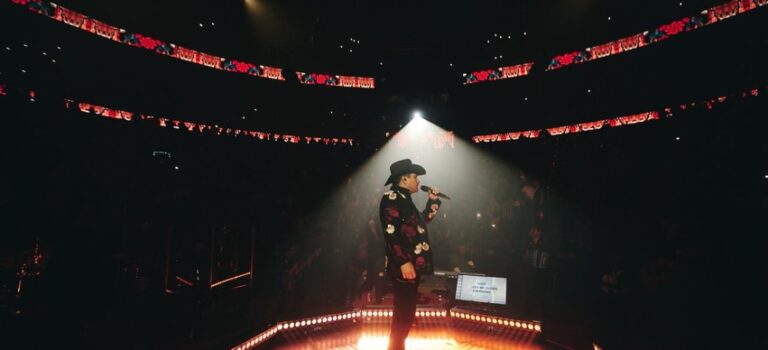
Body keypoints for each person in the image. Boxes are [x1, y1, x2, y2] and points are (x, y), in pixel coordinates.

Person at [379, 159, 441, 350]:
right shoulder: (391, 198)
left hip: (411, 264)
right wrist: (404, 262)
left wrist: (432, 201)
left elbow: (420, 224)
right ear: (404, 179)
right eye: (415, 177)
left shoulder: (404, 198)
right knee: (403, 314)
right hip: (404, 265)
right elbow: (391, 234)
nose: (418, 182)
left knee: (407, 313)